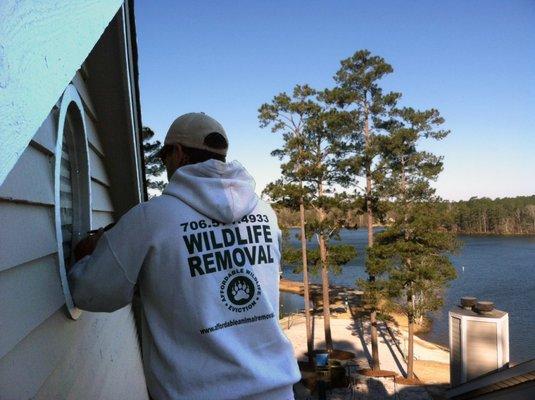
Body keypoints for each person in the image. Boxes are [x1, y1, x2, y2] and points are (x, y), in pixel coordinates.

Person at [68, 112, 300, 400]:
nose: (165, 165)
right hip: (277, 390)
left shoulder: (151, 218)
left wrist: (86, 257)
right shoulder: (266, 213)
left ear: (177, 154)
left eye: (164, 157)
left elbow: (92, 292)